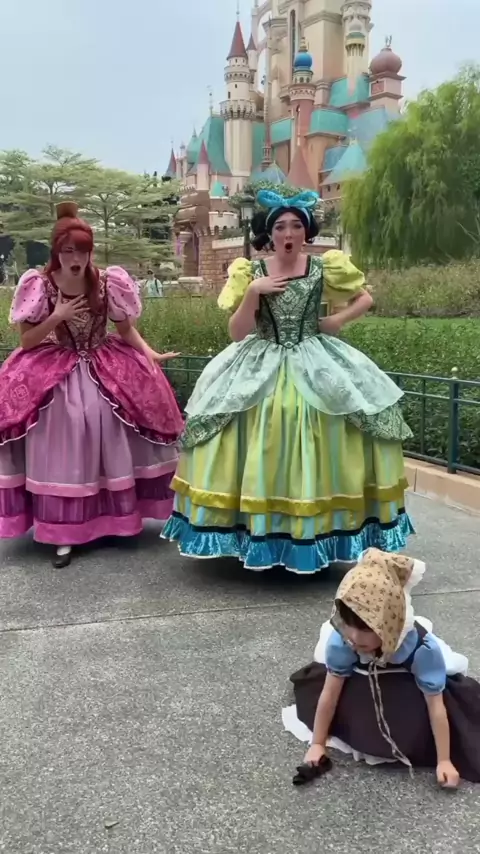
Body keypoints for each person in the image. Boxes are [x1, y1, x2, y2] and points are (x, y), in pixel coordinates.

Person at [162, 188, 414, 573]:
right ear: (270, 232)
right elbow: (236, 333)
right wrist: (253, 293)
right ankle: (255, 528)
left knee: (331, 422)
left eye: (296, 225)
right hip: (260, 357)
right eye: (280, 226)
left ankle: (316, 526)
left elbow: (364, 298)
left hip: (314, 357)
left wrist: (335, 321)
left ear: (306, 231)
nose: (288, 233)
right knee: (257, 424)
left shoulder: (324, 267)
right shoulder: (251, 273)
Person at [0, 202, 183, 567]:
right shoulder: (40, 285)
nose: (77, 258)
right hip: (57, 363)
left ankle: (112, 518)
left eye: (83, 251)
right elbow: (27, 341)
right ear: (57, 251)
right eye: (69, 251)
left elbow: (125, 329)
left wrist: (150, 353)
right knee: (66, 426)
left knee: (110, 422)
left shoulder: (107, 281)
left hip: (103, 359)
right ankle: (63, 531)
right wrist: (57, 316)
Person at [282, 548, 480, 785]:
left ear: (388, 624)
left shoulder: (422, 650)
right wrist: (317, 743)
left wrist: (444, 760)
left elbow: (436, 705)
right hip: (360, 678)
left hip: (406, 673)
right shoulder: (343, 640)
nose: (355, 638)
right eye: (348, 626)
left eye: (366, 628)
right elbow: (330, 693)